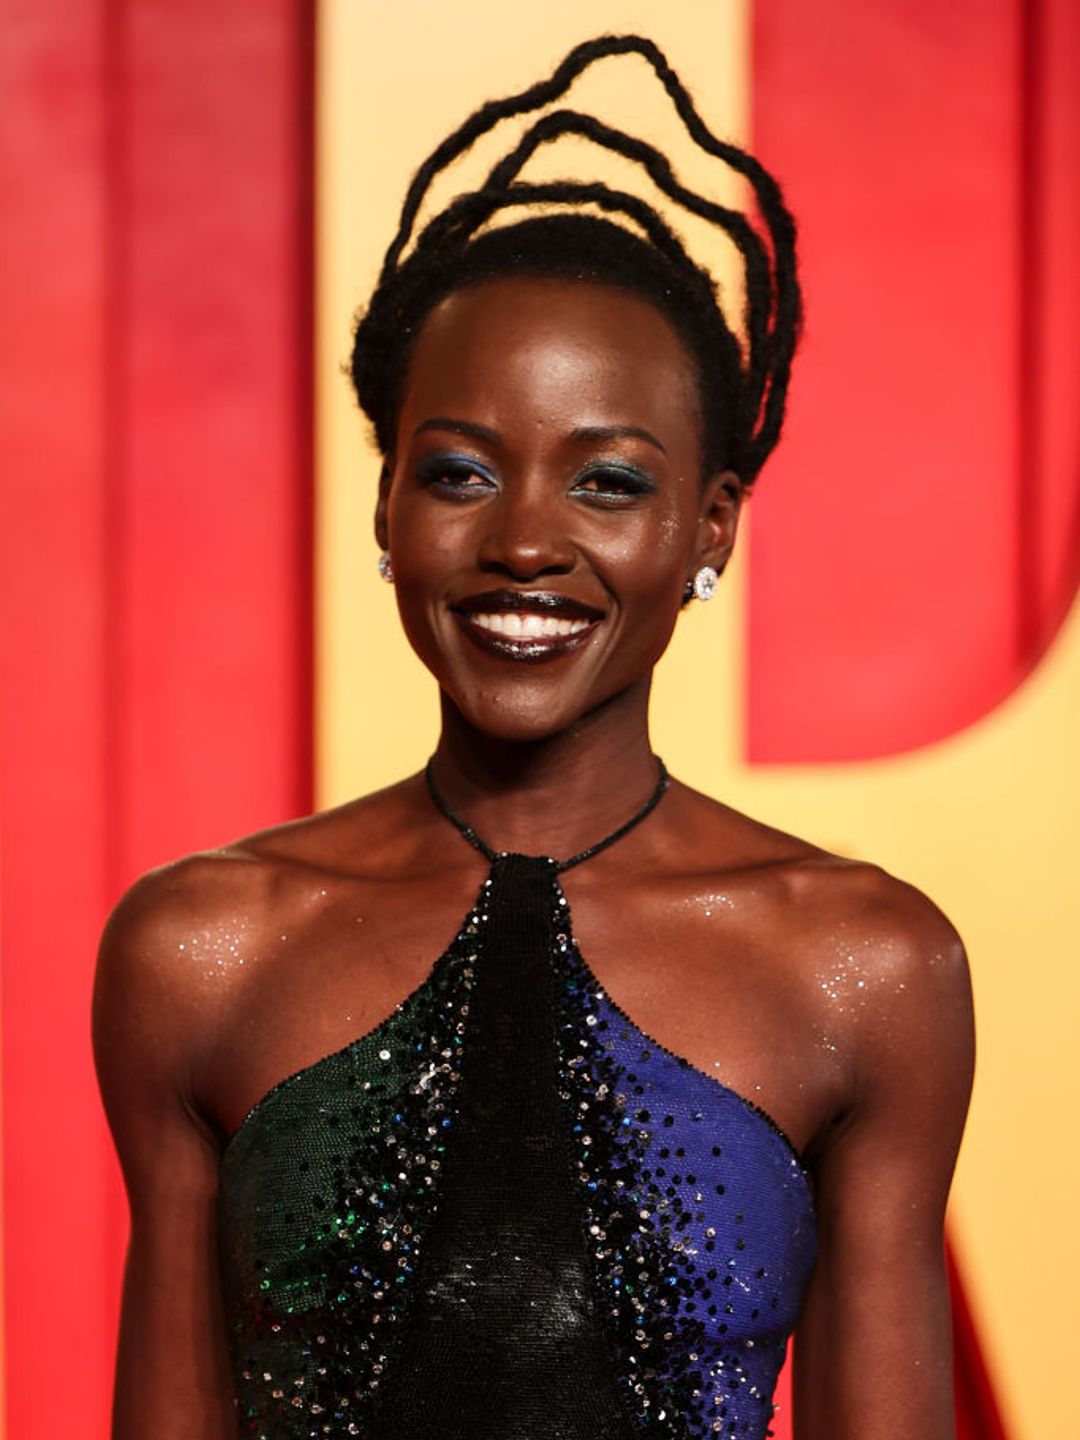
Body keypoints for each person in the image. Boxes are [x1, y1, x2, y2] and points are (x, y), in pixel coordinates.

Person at [93, 34, 974, 1440]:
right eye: (459, 473)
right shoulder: (201, 950)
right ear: (386, 508)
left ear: (710, 528)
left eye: (608, 482)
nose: (521, 543)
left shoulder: (865, 966)